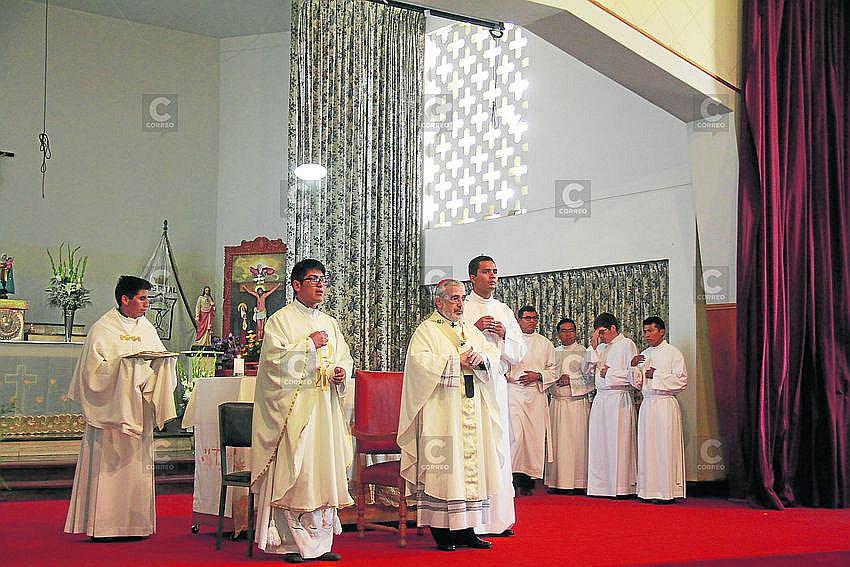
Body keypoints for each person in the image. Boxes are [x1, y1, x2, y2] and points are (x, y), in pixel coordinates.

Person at [251, 259, 353, 563]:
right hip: (294, 412)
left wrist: (340, 372)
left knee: (322, 469)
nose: (320, 285)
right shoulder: (280, 321)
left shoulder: (330, 322)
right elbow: (272, 365)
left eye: (323, 279)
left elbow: (344, 357)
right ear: (296, 285)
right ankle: (289, 544)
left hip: (325, 408)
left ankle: (320, 544)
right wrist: (308, 346)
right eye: (313, 279)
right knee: (300, 473)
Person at [65, 275, 177, 540]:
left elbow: (158, 360)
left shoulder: (146, 328)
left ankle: (135, 526)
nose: (147, 304)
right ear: (124, 299)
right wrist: (128, 368)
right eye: (142, 298)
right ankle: (103, 527)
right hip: (111, 413)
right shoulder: (102, 329)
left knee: (136, 467)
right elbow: (93, 373)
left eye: (147, 298)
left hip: (137, 410)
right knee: (107, 467)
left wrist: (161, 364)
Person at [399, 279, 504, 552]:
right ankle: (442, 530)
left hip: (470, 410)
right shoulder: (426, 331)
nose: (460, 304)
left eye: (462, 298)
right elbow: (419, 366)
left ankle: (467, 529)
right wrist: (456, 362)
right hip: (441, 412)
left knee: (469, 469)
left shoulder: (470, 330)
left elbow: (491, 355)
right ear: (439, 301)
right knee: (444, 469)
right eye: (454, 298)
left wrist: (481, 359)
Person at [462, 255, 526, 536]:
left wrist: (504, 335)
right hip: (471, 386)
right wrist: (473, 329)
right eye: (486, 271)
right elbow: (452, 341)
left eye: (495, 271)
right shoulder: (462, 307)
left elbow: (519, 352)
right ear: (473, 277)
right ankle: (473, 521)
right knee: (476, 445)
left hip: (497, 385)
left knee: (499, 445)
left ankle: (500, 519)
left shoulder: (503, 310)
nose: (493, 276)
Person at [630, 316, 688, 502]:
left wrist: (657, 375)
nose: (647, 335)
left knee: (664, 446)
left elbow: (682, 380)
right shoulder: (644, 354)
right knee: (648, 446)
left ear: (662, 331)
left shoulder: (673, 353)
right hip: (648, 404)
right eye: (645, 331)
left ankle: (666, 492)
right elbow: (637, 383)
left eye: (651, 331)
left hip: (664, 404)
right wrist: (633, 367)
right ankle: (648, 490)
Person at [583, 312, 639, 497]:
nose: (601, 336)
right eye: (598, 333)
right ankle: (600, 486)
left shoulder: (627, 345)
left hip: (618, 398)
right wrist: (593, 347)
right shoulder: (601, 347)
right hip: (601, 399)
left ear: (613, 328)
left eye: (603, 332)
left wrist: (610, 372)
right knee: (599, 441)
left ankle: (621, 486)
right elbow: (587, 371)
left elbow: (633, 376)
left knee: (618, 441)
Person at [507, 306, 558, 495]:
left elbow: (553, 370)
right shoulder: (510, 341)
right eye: (527, 318)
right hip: (514, 392)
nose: (531, 321)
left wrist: (537, 375)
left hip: (535, 394)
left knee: (533, 438)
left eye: (534, 318)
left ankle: (528, 481)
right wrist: (512, 376)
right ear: (519, 320)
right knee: (515, 436)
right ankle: (511, 479)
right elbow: (502, 365)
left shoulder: (545, 344)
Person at [545, 317, 595, 493]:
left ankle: (578, 483)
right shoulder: (553, 352)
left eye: (571, 330)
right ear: (558, 334)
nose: (568, 334)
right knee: (558, 445)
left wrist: (571, 380)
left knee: (577, 444)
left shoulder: (584, 352)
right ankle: (557, 482)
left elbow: (592, 380)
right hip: (557, 404)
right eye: (564, 331)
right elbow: (547, 373)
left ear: (576, 332)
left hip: (576, 405)